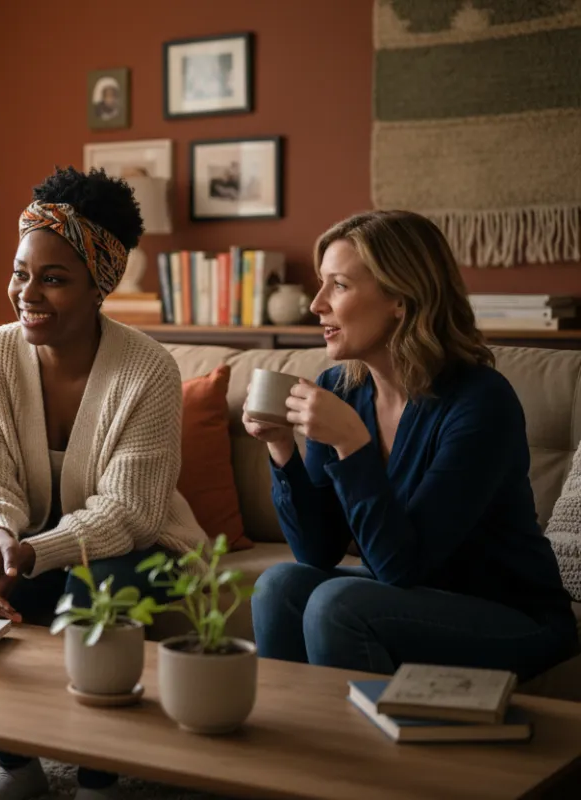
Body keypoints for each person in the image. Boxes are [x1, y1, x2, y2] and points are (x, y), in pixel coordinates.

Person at [0, 166, 208, 800]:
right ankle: (16, 761)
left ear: (100, 287)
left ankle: (98, 772)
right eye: (21, 273)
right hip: (27, 542)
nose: (27, 293)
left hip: (145, 551)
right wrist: (1, 536)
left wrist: (35, 552)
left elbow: (130, 515)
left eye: (54, 279)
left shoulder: (148, 370)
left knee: (102, 587)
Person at [245, 210, 578, 681]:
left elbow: (405, 566)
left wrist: (352, 445)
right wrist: (282, 448)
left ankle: (357, 755)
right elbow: (316, 553)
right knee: (279, 585)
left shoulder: (480, 402)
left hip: (512, 616)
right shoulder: (339, 390)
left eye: (338, 285)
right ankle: (295, 744)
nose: (317, 304)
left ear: (399, 298)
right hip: (412, 595)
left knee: (337, 605)